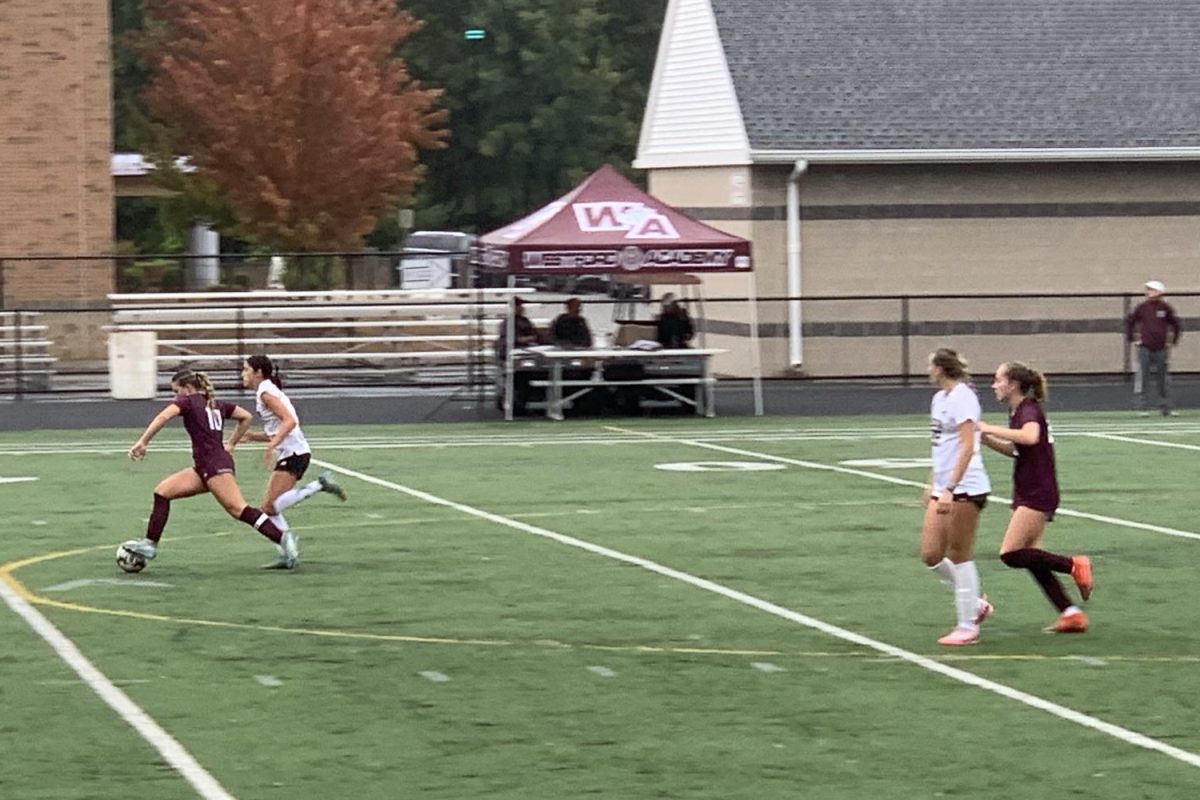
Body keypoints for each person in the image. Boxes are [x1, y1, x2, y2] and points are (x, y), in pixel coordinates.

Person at [123, 368, 299, 568]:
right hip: (205, 466)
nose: (175, 396)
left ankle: (283, 539)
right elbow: (246, 416)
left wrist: (143, 442)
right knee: (162, 492)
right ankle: (150, 545)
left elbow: (163, 417)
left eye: (176, 391)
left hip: (214, 466)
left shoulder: (188, 401)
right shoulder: (215, 404)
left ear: (188, 388)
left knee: (238, 509)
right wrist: (231, 443)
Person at [978, 361, 1093, 633]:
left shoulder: (1029, 409)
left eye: (998, 380)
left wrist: (988, 428)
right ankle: (1071, 613)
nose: (994, 385)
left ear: (1013, 384)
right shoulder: (1017, 410)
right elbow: (1017, 450)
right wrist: (986, 440)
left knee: (1011, 553)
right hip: (1029, 487)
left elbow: (1030, 437)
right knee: (1033, 558)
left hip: (1037, 490)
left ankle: (1074, 564)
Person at [229, 355, 346, 568]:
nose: (242, 374)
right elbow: (280, 427)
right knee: (270, 508)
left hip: (294, 453)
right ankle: (288, 553)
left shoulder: (265, 392)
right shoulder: (266, 391)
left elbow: (291, 421)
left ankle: (319, 485)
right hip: (294, 453)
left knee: (268, 507)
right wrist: (255, 437)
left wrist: (272, 445)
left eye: (246, 369)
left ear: (258, 372)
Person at [921, 348, 992, 646]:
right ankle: (975, 603)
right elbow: (941, 447)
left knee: (959, 554)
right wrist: (933, 483)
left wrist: (950, 487)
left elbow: (967, 446)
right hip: (944, 485)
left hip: (966, 487)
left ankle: (967, 626)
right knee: (930, 555)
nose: (927, 371)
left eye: (930, 366)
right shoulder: (939, 399)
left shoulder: (964, 397)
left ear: (941, 368)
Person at [1125, 279, 1181, 416]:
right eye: (1148, 289)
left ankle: (1166, 407)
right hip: (1145, 347)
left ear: (1160, 292)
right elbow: (1130, 322)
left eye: (1152, 290)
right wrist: (1132, 339)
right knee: (1143, 377)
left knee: (1163, 378)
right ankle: (1141, 407)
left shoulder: (1165, 308)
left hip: (1161, 348)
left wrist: (1172, 341)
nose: (1149, 292)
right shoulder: (1142, 307)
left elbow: (1176, 324)